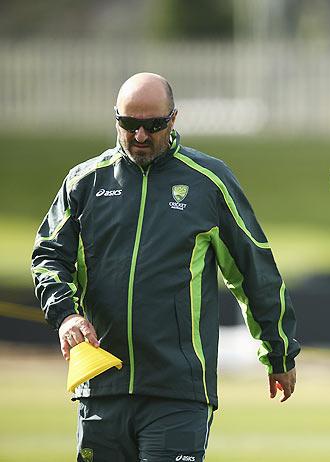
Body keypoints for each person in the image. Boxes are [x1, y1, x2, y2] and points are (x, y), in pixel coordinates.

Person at [31, 72, 300, 461]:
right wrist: (66, 316)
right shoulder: (84, 182)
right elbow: (48, 256)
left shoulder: (209, 182)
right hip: (101, 389)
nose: (141, 136)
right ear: (116, 118)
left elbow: (253, 270)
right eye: (129, 124)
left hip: (179, 391)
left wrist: (279, 353)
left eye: (153, 125)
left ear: (174, 119)